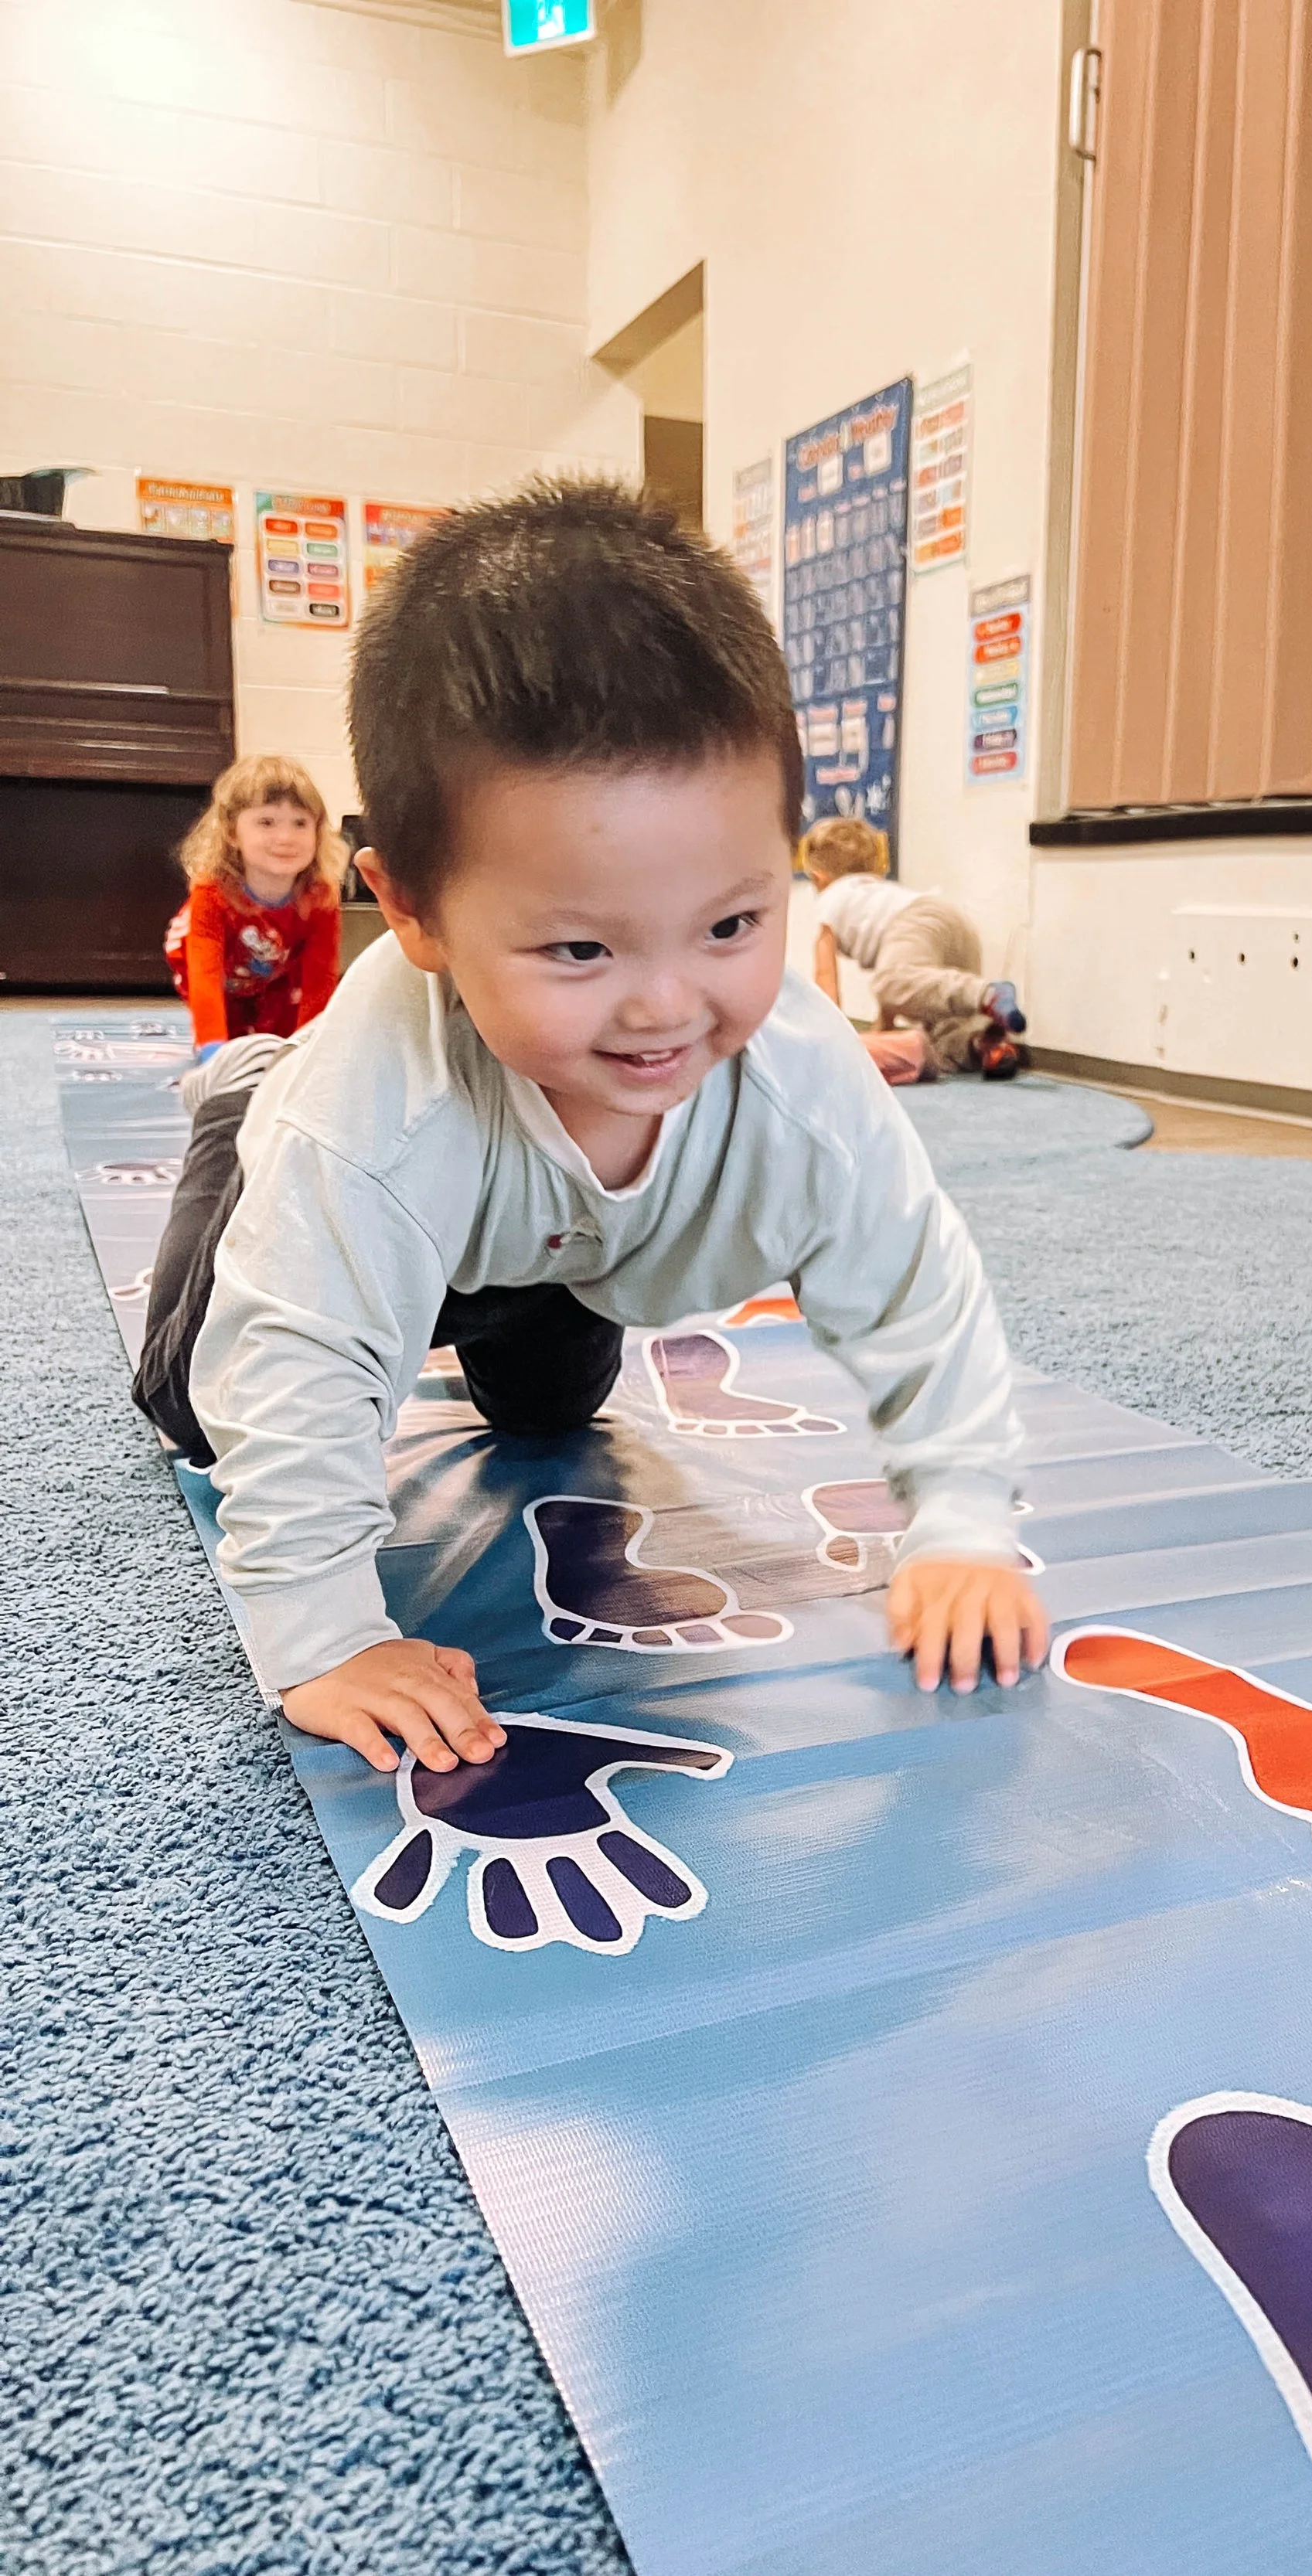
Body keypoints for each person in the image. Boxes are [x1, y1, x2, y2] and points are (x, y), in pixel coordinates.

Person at [134, 478, 1048, 1781]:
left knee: (553, 1414)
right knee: (200, 1405)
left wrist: (960, 1522)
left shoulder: (796, 1074)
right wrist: (325, 1633)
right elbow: (296, 1371)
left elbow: (918, 1288)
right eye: (580, 945)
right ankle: (241, 1105)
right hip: (370, 1190)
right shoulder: (376, 1112)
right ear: (413, 910)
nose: (667, 1005)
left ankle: (541, 1243)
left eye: (733, 923)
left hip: (552, 1240)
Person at [801, 815, 1027, 1079]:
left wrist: (832, 1037)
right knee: (943, 1031)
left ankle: (987, 994)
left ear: (819, 879)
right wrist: (883, 1028)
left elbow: (826, 979)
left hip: (918, 922)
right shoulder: (879, 892)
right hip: (956, 926)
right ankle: (984, 1046)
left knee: (892, 982)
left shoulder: (829, 900)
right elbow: (900, 982)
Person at [165, 754, 344, 1058]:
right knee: (230, 1040)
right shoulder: (213, 893)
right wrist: (212, 1048)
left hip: (276, 975)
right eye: (266, 822)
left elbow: (319, 979)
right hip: (215, 968)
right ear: (233, 832)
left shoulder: (319, 898)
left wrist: (307, 1049)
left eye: (300, 823)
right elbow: (204, 975)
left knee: (283, 1038)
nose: (285, 838)